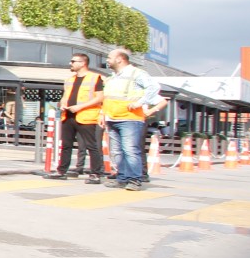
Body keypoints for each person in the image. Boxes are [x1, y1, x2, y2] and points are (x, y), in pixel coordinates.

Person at [101, 46, 166, 191]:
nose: (107, 60)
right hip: (112, 118)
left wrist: (140, 103)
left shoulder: (136, 73)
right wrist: (103, 114)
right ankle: (122, 178)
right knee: (117, 151)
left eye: (109, 58)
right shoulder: (112, 77)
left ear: (119, 59)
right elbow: (108, 98)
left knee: (130, 150)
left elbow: (154, 87)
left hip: (130, 118)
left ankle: (135, 179)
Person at [44, 52, 104, 183]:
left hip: (85, 116)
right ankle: (61, 171)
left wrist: (80, 106)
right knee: (66, 145)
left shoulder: (95, 78)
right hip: (68, 115)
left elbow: (99, 98)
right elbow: (65, 96)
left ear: (83, 63)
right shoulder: (69, 80)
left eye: (73, 61)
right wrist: (62, 103)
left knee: (91, 146)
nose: (70, 63)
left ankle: (96, 174)